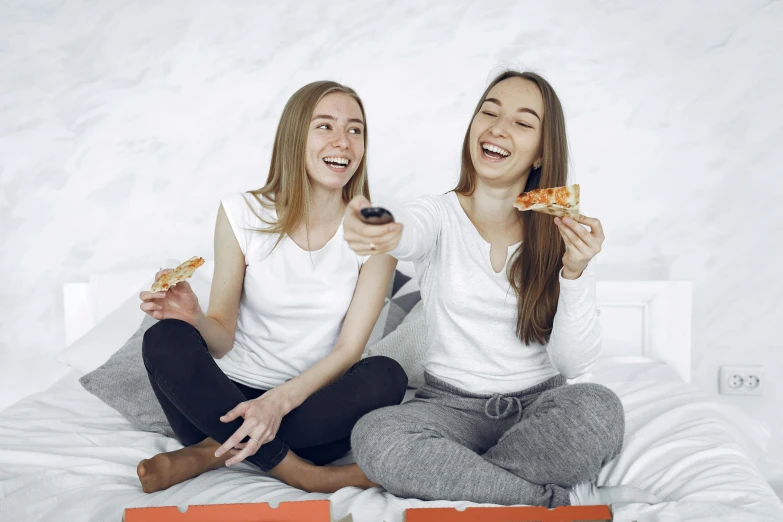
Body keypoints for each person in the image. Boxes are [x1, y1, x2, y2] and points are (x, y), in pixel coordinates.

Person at [342, 71, 660, 507]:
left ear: (540, 155)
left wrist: (576, 271)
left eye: (522, 122)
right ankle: (556, 502)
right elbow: (406, 232)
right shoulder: (437, 214)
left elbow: (572, 361)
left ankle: (476, 484)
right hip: (447, 409)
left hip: (540, 410)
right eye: (489, 112)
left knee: (598, 407)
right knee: (375, 436)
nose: (498, 128)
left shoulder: (558, 229)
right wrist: (382, 232)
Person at [136, 81, 407, 494]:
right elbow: (222, 337)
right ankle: (303, 473)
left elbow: (348, 350)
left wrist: (278, 402)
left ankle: (207, 454)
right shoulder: (240, 212)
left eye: (356, 130)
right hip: (221, 402)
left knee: (388, 375)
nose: (343, 141)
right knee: (164, 338)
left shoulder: (377, 231)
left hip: (310, 406)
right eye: (325, 126)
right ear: (295, 136)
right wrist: (192, 318)